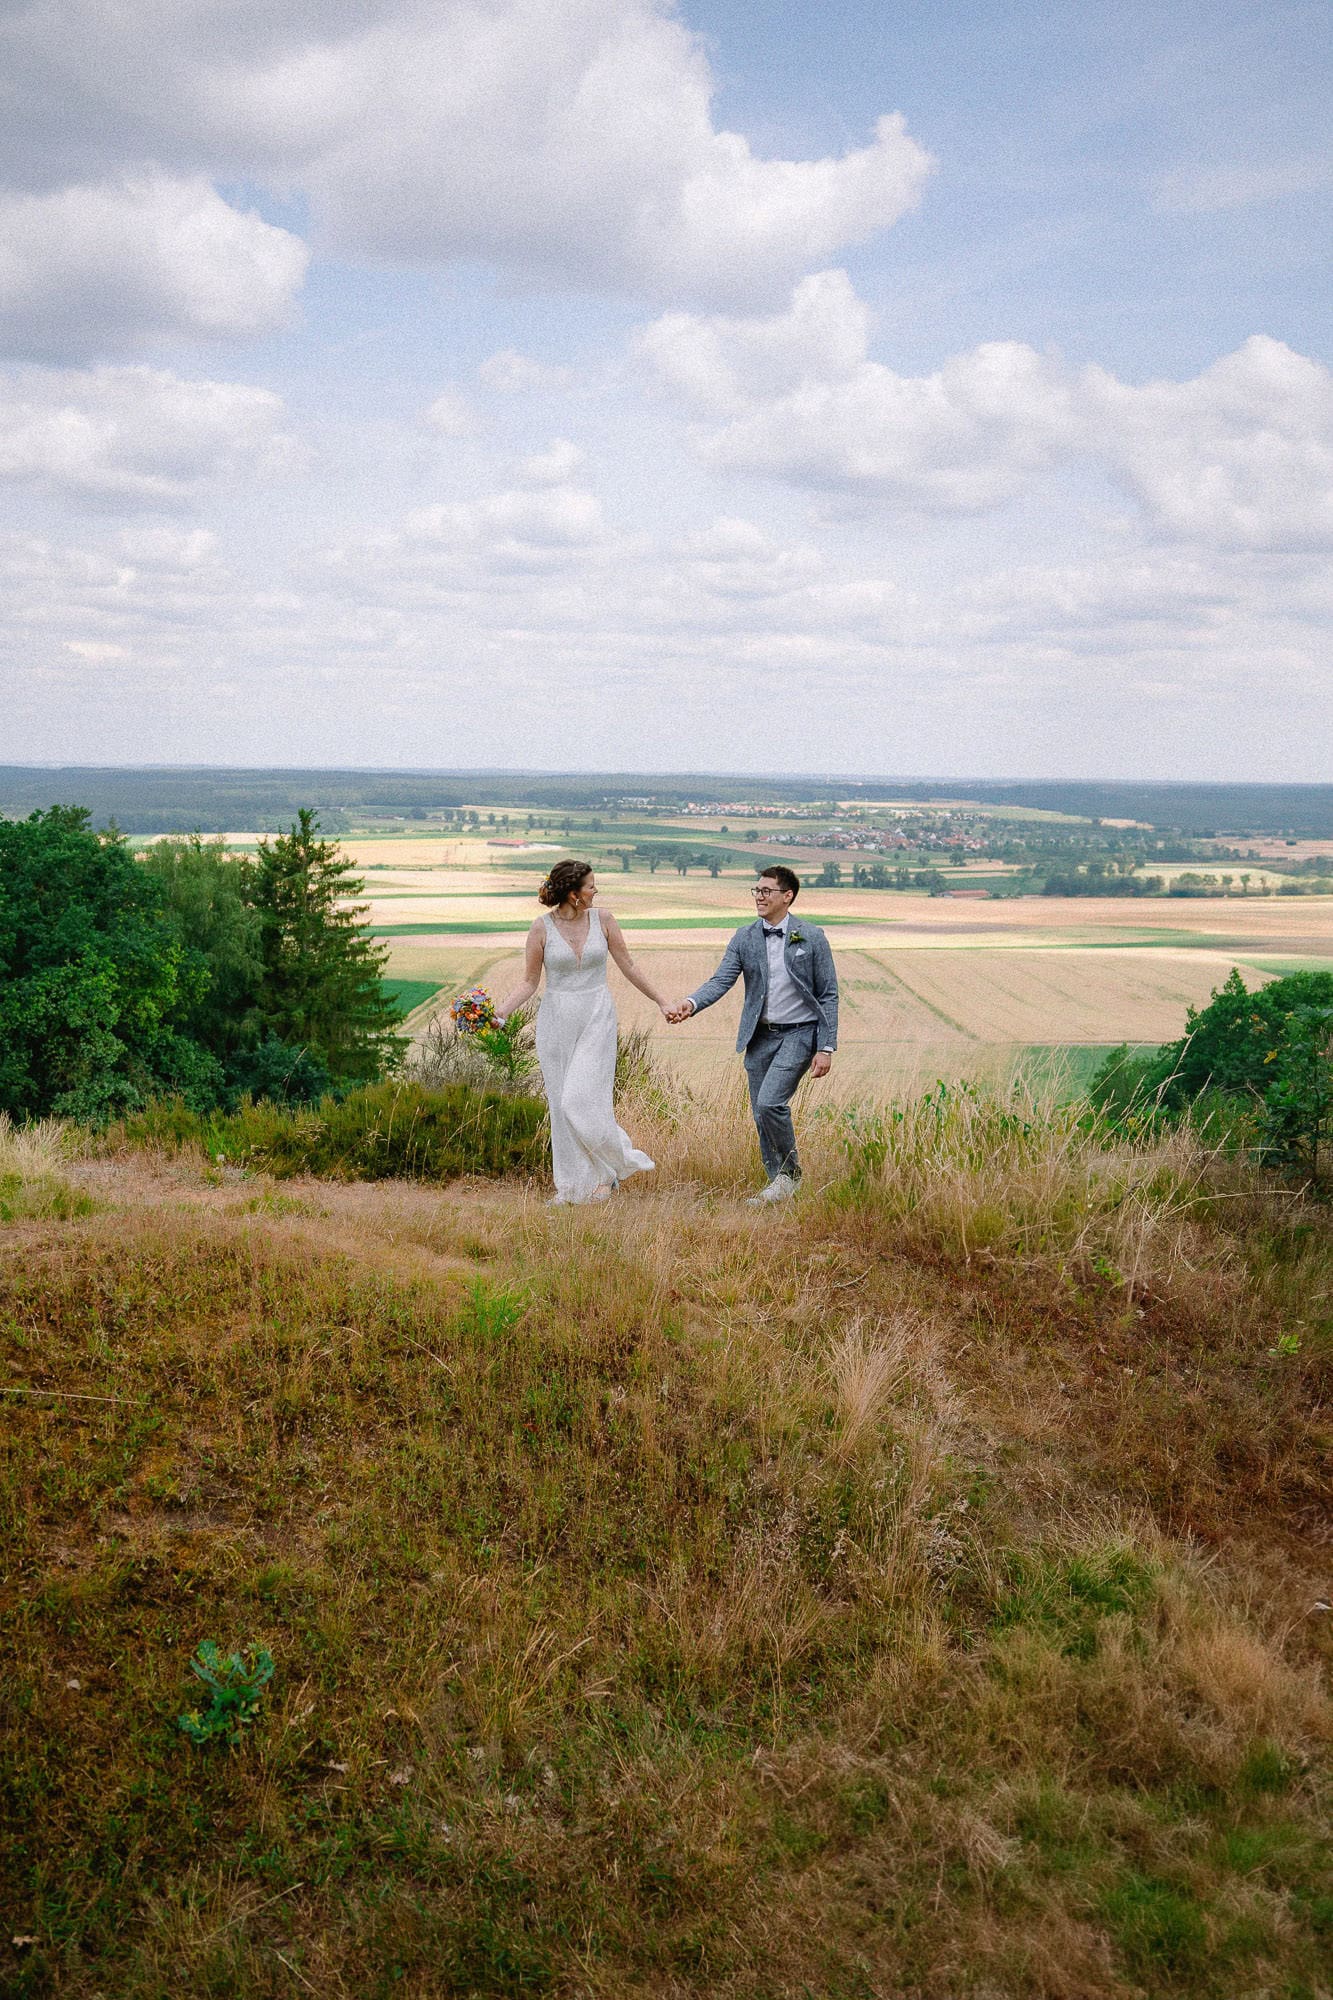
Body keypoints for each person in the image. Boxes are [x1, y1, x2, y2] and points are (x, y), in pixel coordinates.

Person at [497, 859, 670, 1204]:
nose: (596, 890)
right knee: (562, 1106)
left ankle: (610, 1170)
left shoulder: (604, 920)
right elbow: (529, 982)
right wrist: (500, 1013)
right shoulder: (540, 928)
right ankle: (574, 1186)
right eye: (591, 885)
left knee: (584, 1099)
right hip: (557, 1020)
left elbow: (629, 965)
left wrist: (662, 1001)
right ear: (573, 893)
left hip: (596, 1015)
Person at [667, 866, 838, 1203]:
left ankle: (790, 1175)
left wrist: (826, 1046)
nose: (759, 897)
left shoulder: (811, 936)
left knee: (771, 1102)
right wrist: (691, 1002)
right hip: (759, 1037)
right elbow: (721, 980)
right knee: (760, 1113)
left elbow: (828, 993)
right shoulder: (744, 937)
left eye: (766, 891)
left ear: (787, 896)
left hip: (800, 1034)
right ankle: (778, 1183)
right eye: (756, 890)